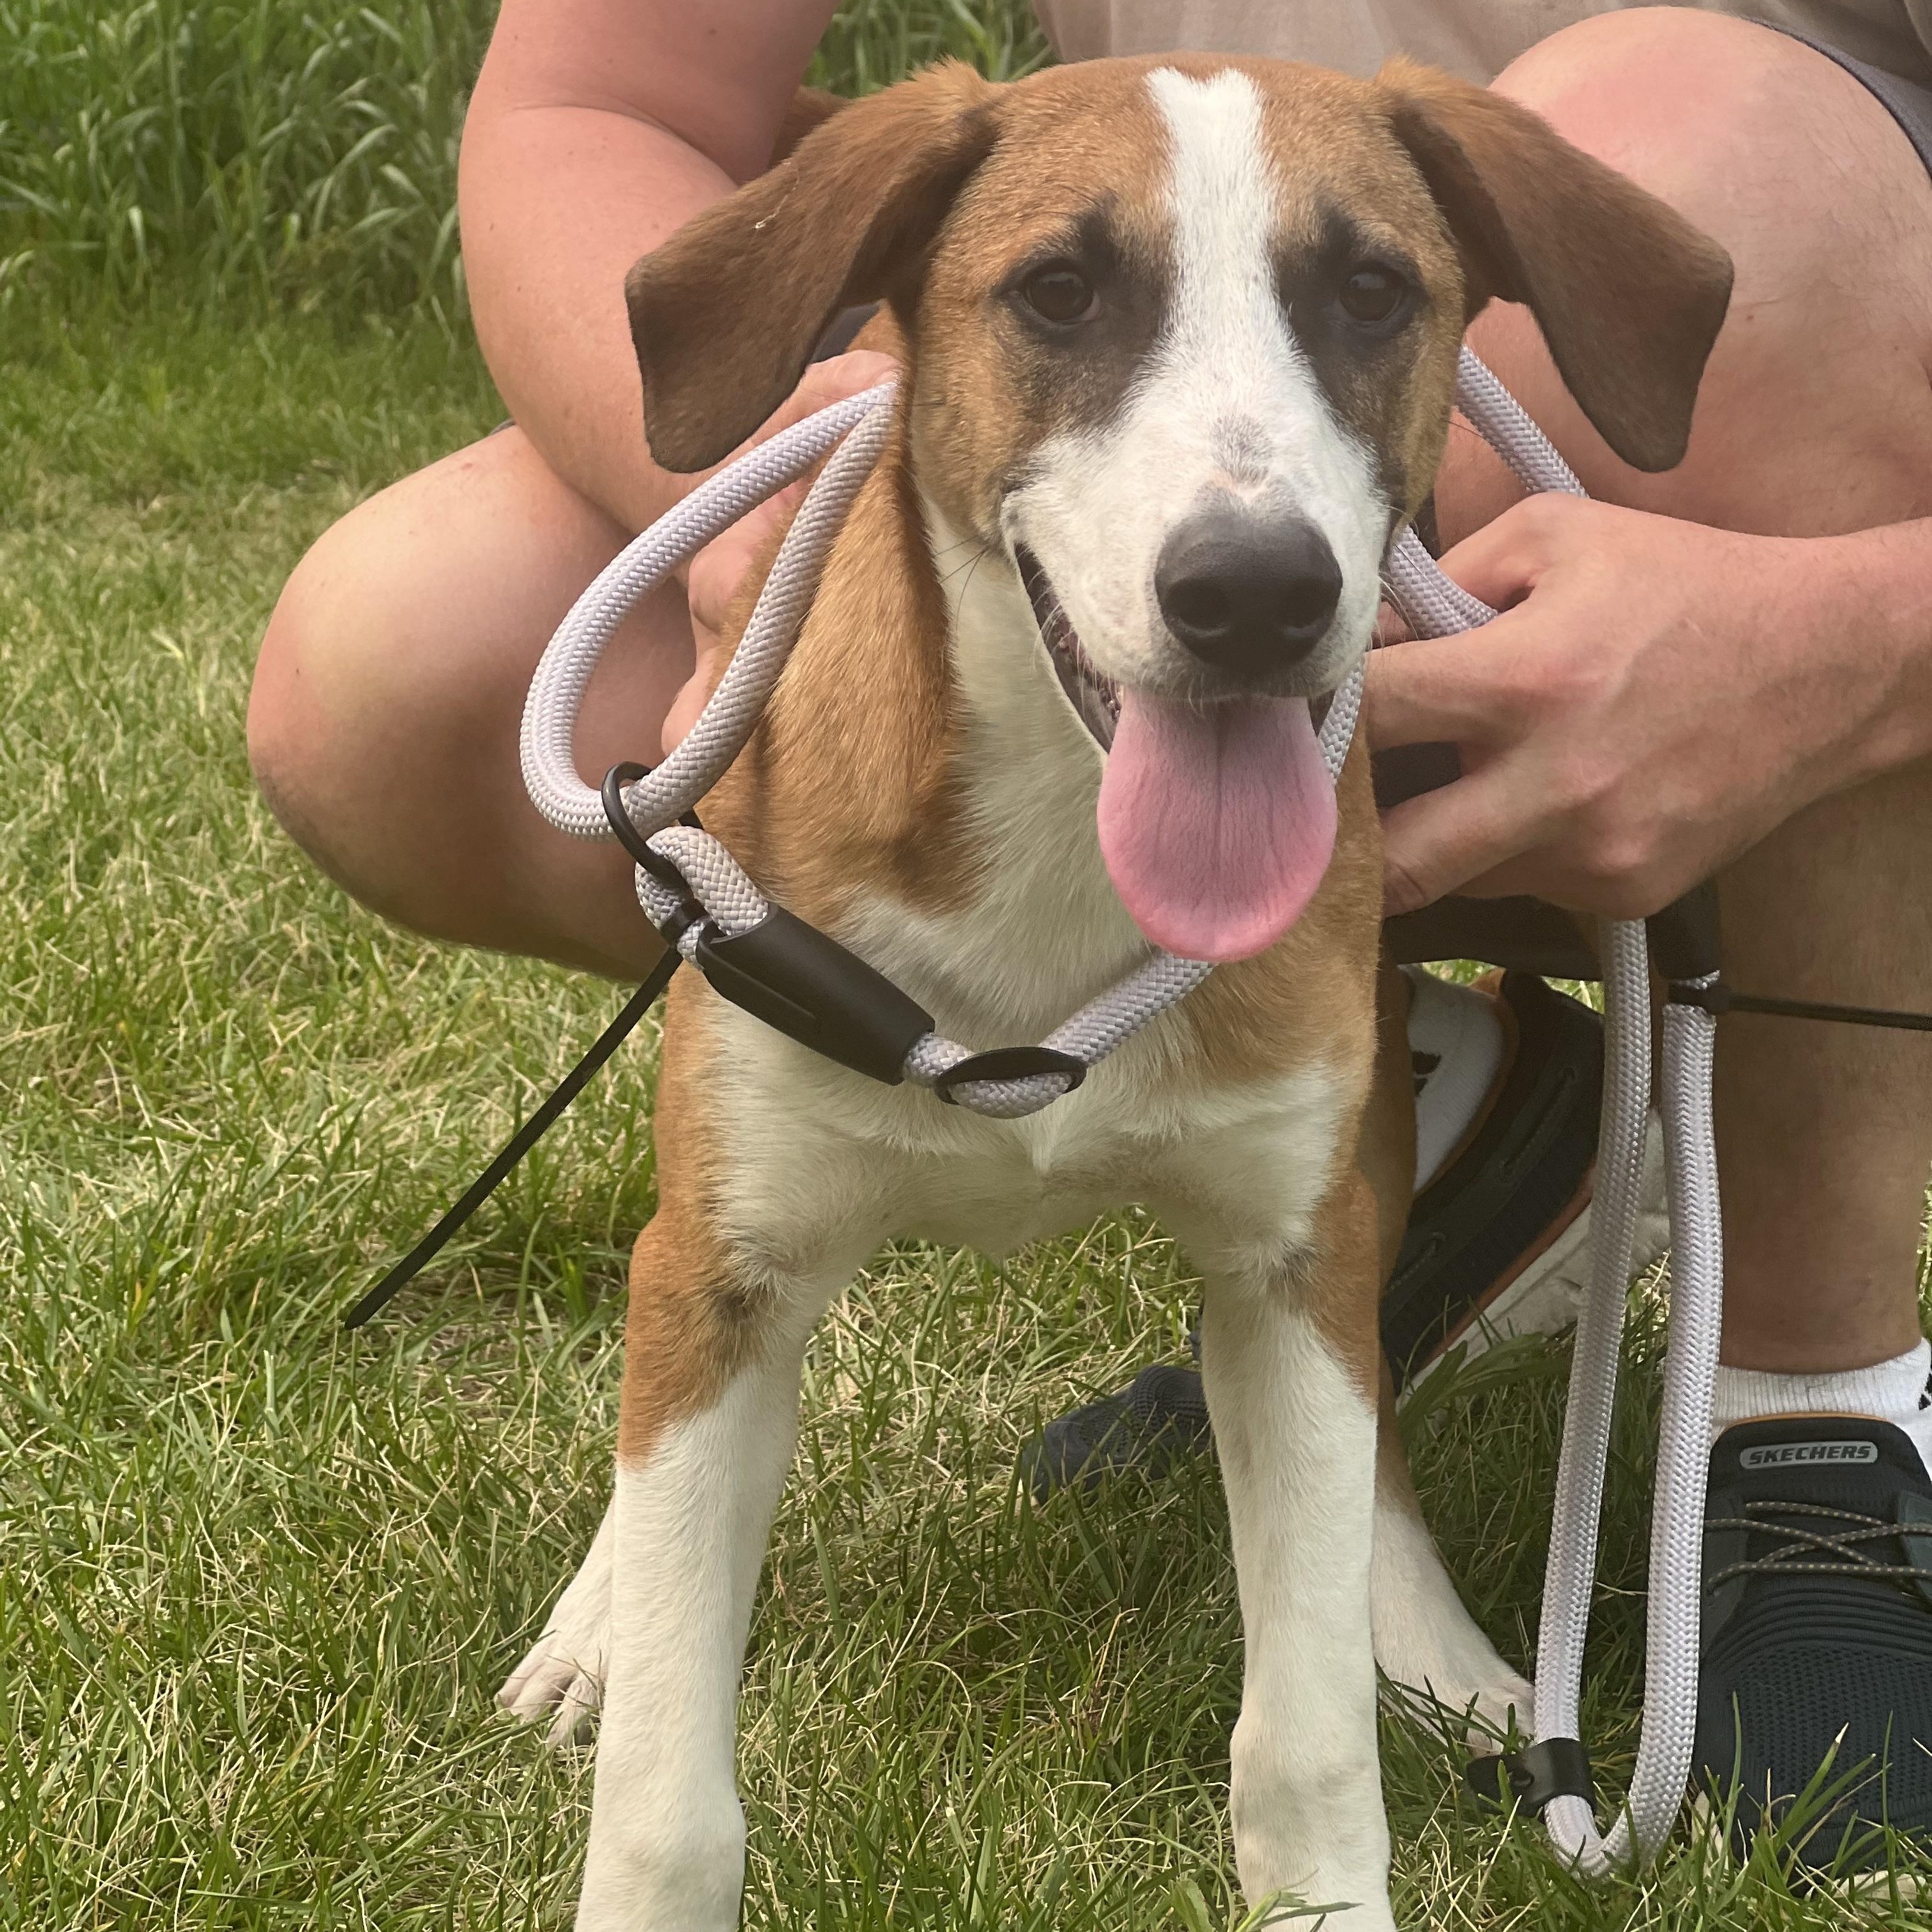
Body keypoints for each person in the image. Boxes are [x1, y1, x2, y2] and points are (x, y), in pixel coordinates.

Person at [247, 0, 1932, 1869]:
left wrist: (1850, 633)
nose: (1244, 506)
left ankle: (1814, 1392)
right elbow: (597, 95)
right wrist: (732, 478)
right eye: (1063, 295)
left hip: (1784, 494)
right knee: (397, 655)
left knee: (1726, 134)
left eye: (1367, 295)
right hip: (1006, 654)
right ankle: (1464, 1090)